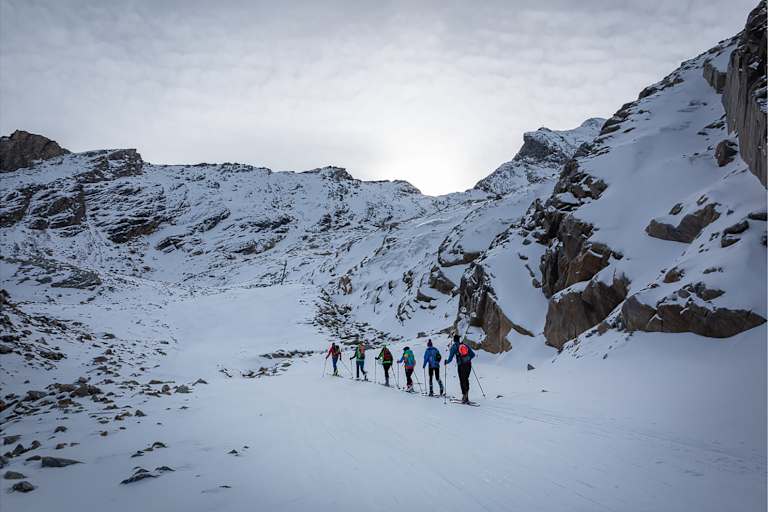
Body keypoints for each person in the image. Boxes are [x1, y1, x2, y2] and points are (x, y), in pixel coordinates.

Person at [445, 334, 475, 403]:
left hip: (461, 366)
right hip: (468, 364)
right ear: (459, 339)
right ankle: (467, 395)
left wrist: (446, 362)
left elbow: (450, 359)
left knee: (462, 380)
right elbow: (473, 355)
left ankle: (464, 396)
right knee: (466, 379)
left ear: (454, 340)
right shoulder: (465, 345)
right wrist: (467, 359)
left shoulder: (454, 347)